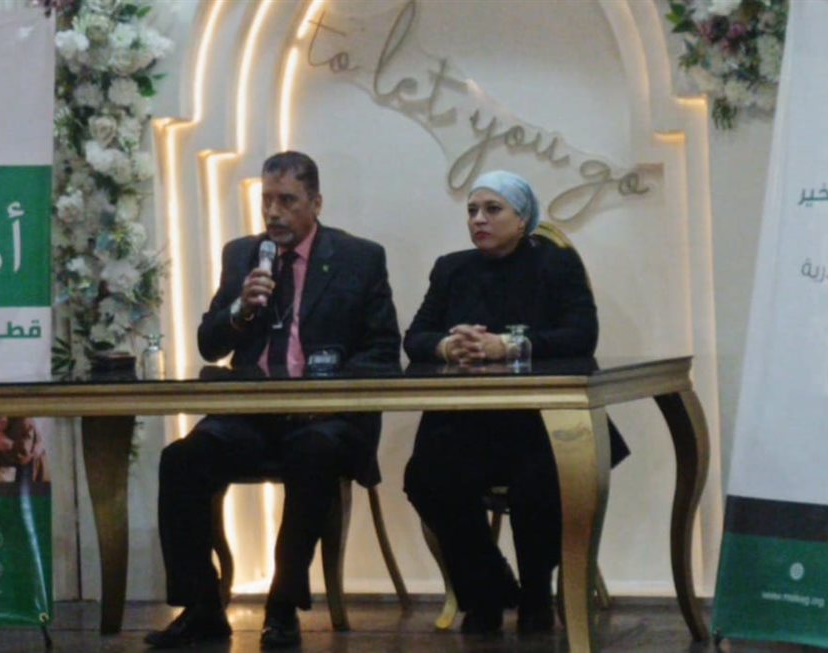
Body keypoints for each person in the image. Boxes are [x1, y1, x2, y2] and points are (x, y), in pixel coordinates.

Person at [148, 151, 400, 650]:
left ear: (316, 203)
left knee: (314, 453)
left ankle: (282, 605)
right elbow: (210, 345)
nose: (273, 213)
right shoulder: (243, 254)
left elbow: (382, 351)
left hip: (326, 419)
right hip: (251, 416)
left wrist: (328, 395)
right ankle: (202, 607)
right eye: (267, 200)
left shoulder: (359, 258)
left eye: (287, 201)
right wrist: (240, 308)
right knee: (181, 460)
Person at [402, 170, 628, 635]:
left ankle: (536, 594)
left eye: (492, 209)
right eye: (472, 211)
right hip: (469, 424)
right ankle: (487, 589)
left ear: (522, 219)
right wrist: (449, 346)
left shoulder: (556, 264)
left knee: (539, 482)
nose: (478, 220)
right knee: (426, 475)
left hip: (542, 423)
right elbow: (416, 337)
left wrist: (509, 346)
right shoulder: (451, 269)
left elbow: (581, 336)